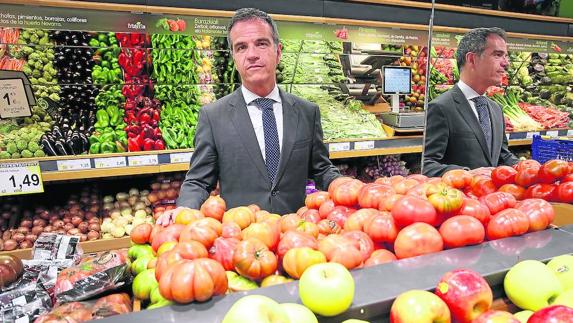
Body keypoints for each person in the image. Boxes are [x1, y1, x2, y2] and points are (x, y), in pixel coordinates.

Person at [157, 8, 340, 224]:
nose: (252, 54)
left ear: (278, 51)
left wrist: (344, 185)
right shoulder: (213, 116)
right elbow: (198, 181)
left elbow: (321, 168)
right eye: (241, 47)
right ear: (234, 57)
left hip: (296, 238)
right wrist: (184, 210)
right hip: (241, 241)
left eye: (261, 43)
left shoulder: (306, 112)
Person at [422, 27, 519, 177]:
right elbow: (427, 166)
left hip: (492, 198)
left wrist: (524, 166)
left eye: (506, 56)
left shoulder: (496, 109)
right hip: (460, 197)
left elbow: (502, 156)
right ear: (472, 59)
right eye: (498, 55)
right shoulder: (442, 107)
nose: (506, 63)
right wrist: (467, 174)